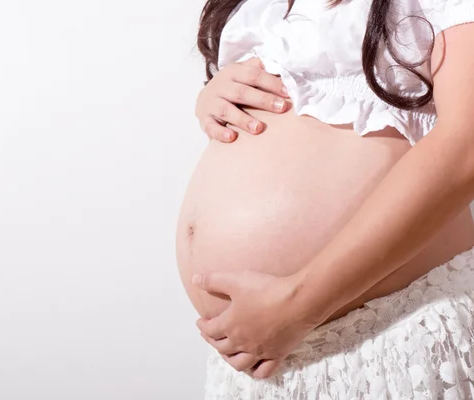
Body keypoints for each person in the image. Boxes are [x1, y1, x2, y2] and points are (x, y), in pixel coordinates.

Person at [175, 0, 474, 398]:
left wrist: (299, 306)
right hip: (261, 365)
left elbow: (466, 146)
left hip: (394, 336)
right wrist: (216, 98)